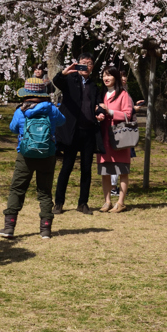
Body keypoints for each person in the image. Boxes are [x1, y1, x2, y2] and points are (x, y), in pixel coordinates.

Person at [0, 78, 64, 239]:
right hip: (47, 154)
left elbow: (13, 128)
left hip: (25, 154)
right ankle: (46, 229)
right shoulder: (51, 109)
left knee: (17, 189)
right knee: (44, 191)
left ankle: (9, 227)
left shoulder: (21, 110)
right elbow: (62, 121)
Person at [52, 53, 99, 214]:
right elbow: (56, 81)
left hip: (88, 131)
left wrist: (99, 112)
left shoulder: (94, 85)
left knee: (87, 169)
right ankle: (58, 202)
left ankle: (83, 203)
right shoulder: (69, 81)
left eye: (90, 63)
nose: (86, 66)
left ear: (93, 67)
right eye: (83, 62)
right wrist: (64, 72)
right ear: (77, 64)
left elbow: (97, 104)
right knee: (67, 166)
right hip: (71, 131)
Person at [95, 66, 134, 213]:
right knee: (105, 171)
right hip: (104, 137)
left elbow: (127, 115)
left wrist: (109, 111)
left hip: (120, 138)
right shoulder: (103, 95)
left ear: (116, 78)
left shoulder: (123, 95)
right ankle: (107, 202)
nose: (106, 78)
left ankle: (121, 202)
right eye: (104, 75)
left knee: (122, 170)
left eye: (109, 75)